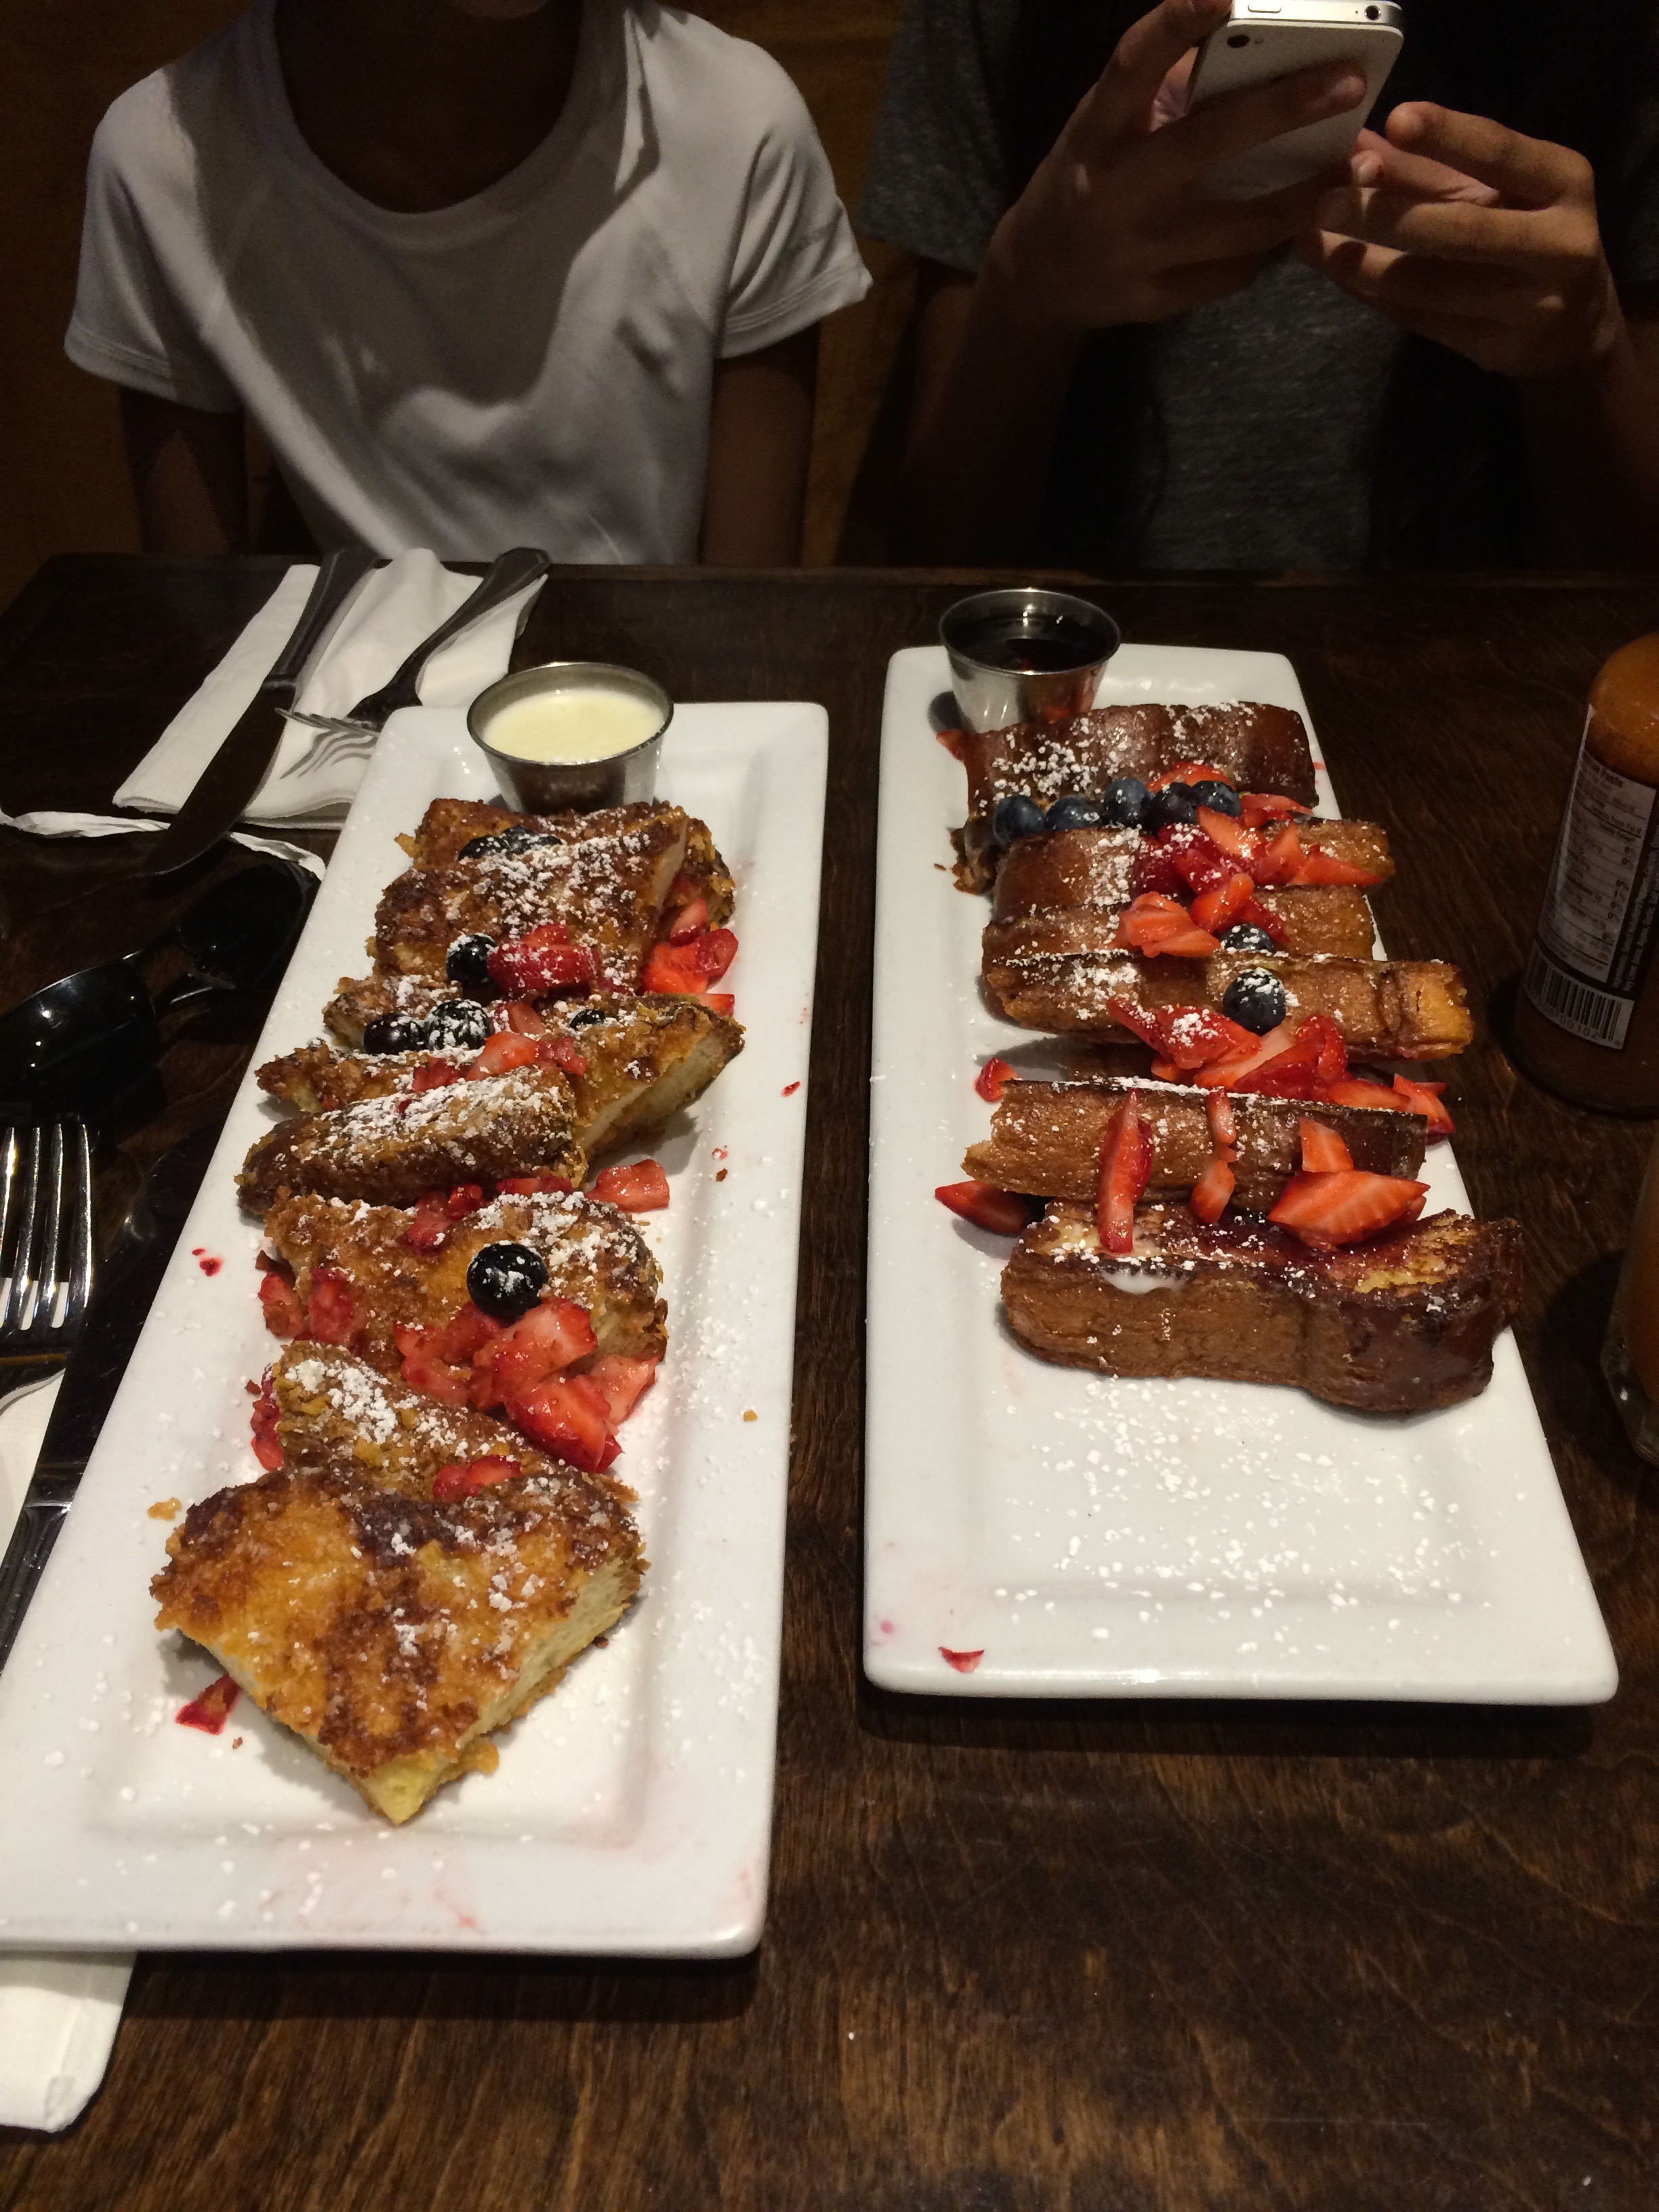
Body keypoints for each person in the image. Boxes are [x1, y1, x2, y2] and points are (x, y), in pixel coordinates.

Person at [858, 0, 1659, 569]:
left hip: (1476, 690)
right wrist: (1026, 295)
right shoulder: (1002, 18)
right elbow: (937, 555)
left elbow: (1631, 598)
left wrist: (1583, 353)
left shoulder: (1606, 32)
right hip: (1087, 673)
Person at [66, 0, 871, 565]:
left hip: (658, 714)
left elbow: (748, 624)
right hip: (352, 725)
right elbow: (201, 625)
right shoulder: (167, 161)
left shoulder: (730, 124)